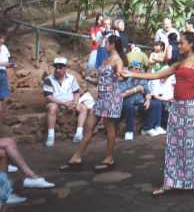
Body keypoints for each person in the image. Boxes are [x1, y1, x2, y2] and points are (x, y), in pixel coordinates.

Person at [121, 32, 194, 196]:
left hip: (192, 107)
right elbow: (156, 75)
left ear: (191, 44)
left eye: (182, 43)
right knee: (174, 144)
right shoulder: (179, 64)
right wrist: (133, 73)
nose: (179, 46)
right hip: (177, 106)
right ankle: (171, 181)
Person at [60, 35, 127, 172]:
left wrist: (121, 74)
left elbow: (119, 77)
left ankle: (109, 158)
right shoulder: (106, 59)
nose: (104, 45)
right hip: (101, 97)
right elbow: (103, 80)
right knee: (88, 126)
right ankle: (77, 157)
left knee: (109, 126)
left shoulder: (117, 60)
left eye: (107, 43)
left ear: (113, 44)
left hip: (111, 98)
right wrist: (89, 78)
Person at [43, 57, 87, 146]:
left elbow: (76, 92)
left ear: (65, 68)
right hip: (55, 102)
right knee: (52, 108)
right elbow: (48, 96)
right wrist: (63, 103)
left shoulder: (71, 78)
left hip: (70, 102)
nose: (58, 70)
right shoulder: (48, 79)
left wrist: (75, 102)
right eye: (56, 67)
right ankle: (51, 135)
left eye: (60, 67)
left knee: (83, 108)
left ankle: (79, 133)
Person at [120, 60, 163, 140]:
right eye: (136, 69)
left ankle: (147, 128)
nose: (138, 71)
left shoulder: (142, 79)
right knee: (130, 108)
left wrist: (148, 100)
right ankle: (129, 131)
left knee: (156, 103)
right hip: (127, 102)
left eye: (140, 69)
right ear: (130, 69)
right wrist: (136, 89)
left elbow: (148, 92)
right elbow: (121, 94)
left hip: (139, 102)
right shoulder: (125, 79)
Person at [0, 33, 14, 116]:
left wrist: (12, 63)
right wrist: (5, 64)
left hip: (3, 72)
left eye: (2, 40)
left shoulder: (4, 47)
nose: (2, 42)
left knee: (2, 92)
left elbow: (9, 58)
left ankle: (1, 109)